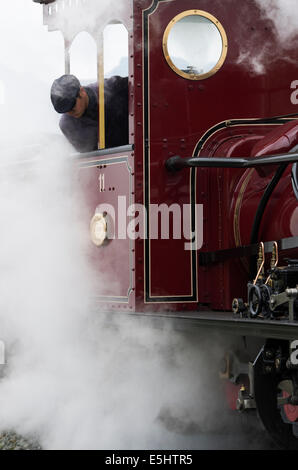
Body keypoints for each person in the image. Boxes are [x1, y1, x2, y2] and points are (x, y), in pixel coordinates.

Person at [50, 74, 128, 153]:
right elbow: (88, 156)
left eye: (72, 106)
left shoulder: (114, 86)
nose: (70, 113)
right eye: (66, 110)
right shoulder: (67, 125)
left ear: (82, 91)